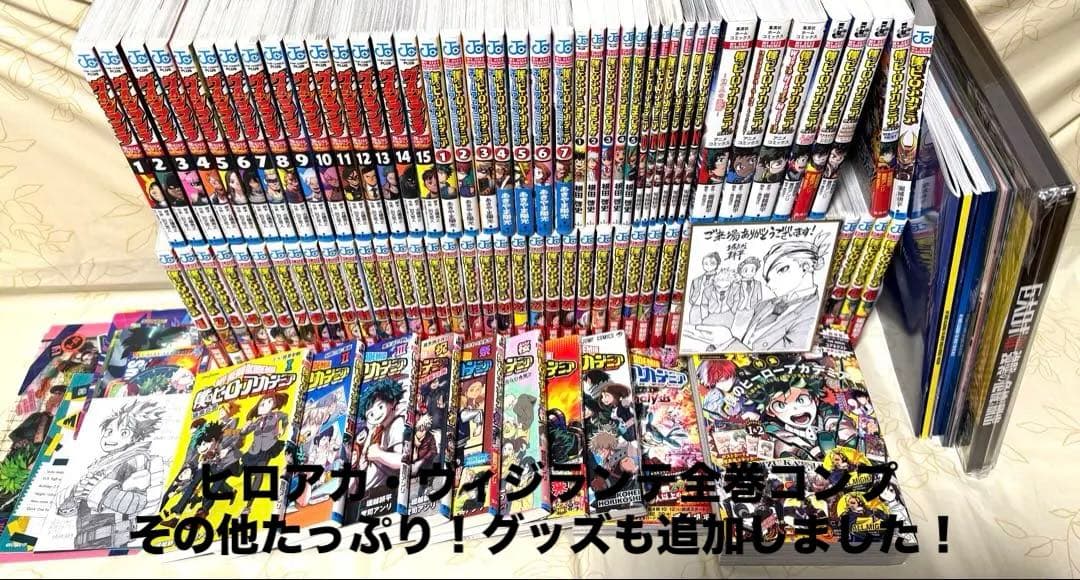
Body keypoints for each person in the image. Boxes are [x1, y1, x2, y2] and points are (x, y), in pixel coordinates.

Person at [56, 399, 164, 549]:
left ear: (134, 436)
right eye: (108, 432)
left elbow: (136, 502)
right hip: (84, 541)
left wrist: (99, 492)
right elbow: (75, 506)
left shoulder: (134, 459)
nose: (109, 437)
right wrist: (73, 496)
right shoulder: (100, 465)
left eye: (123, 432)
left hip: (111, 538)